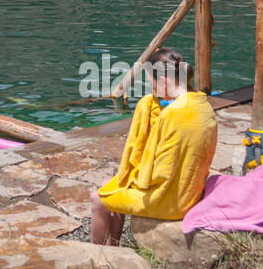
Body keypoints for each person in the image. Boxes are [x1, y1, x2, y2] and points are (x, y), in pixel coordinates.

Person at [90, 47, 217, 245]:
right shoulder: (203, 106)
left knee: (98, 199)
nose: (152, 90)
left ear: (164, 80)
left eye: (152, 83)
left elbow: (157, 173)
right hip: (191, 191)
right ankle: (111, 249)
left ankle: (97, 255)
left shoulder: (172, 115)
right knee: (117, 187)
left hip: (168, 202)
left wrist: (131, 177)